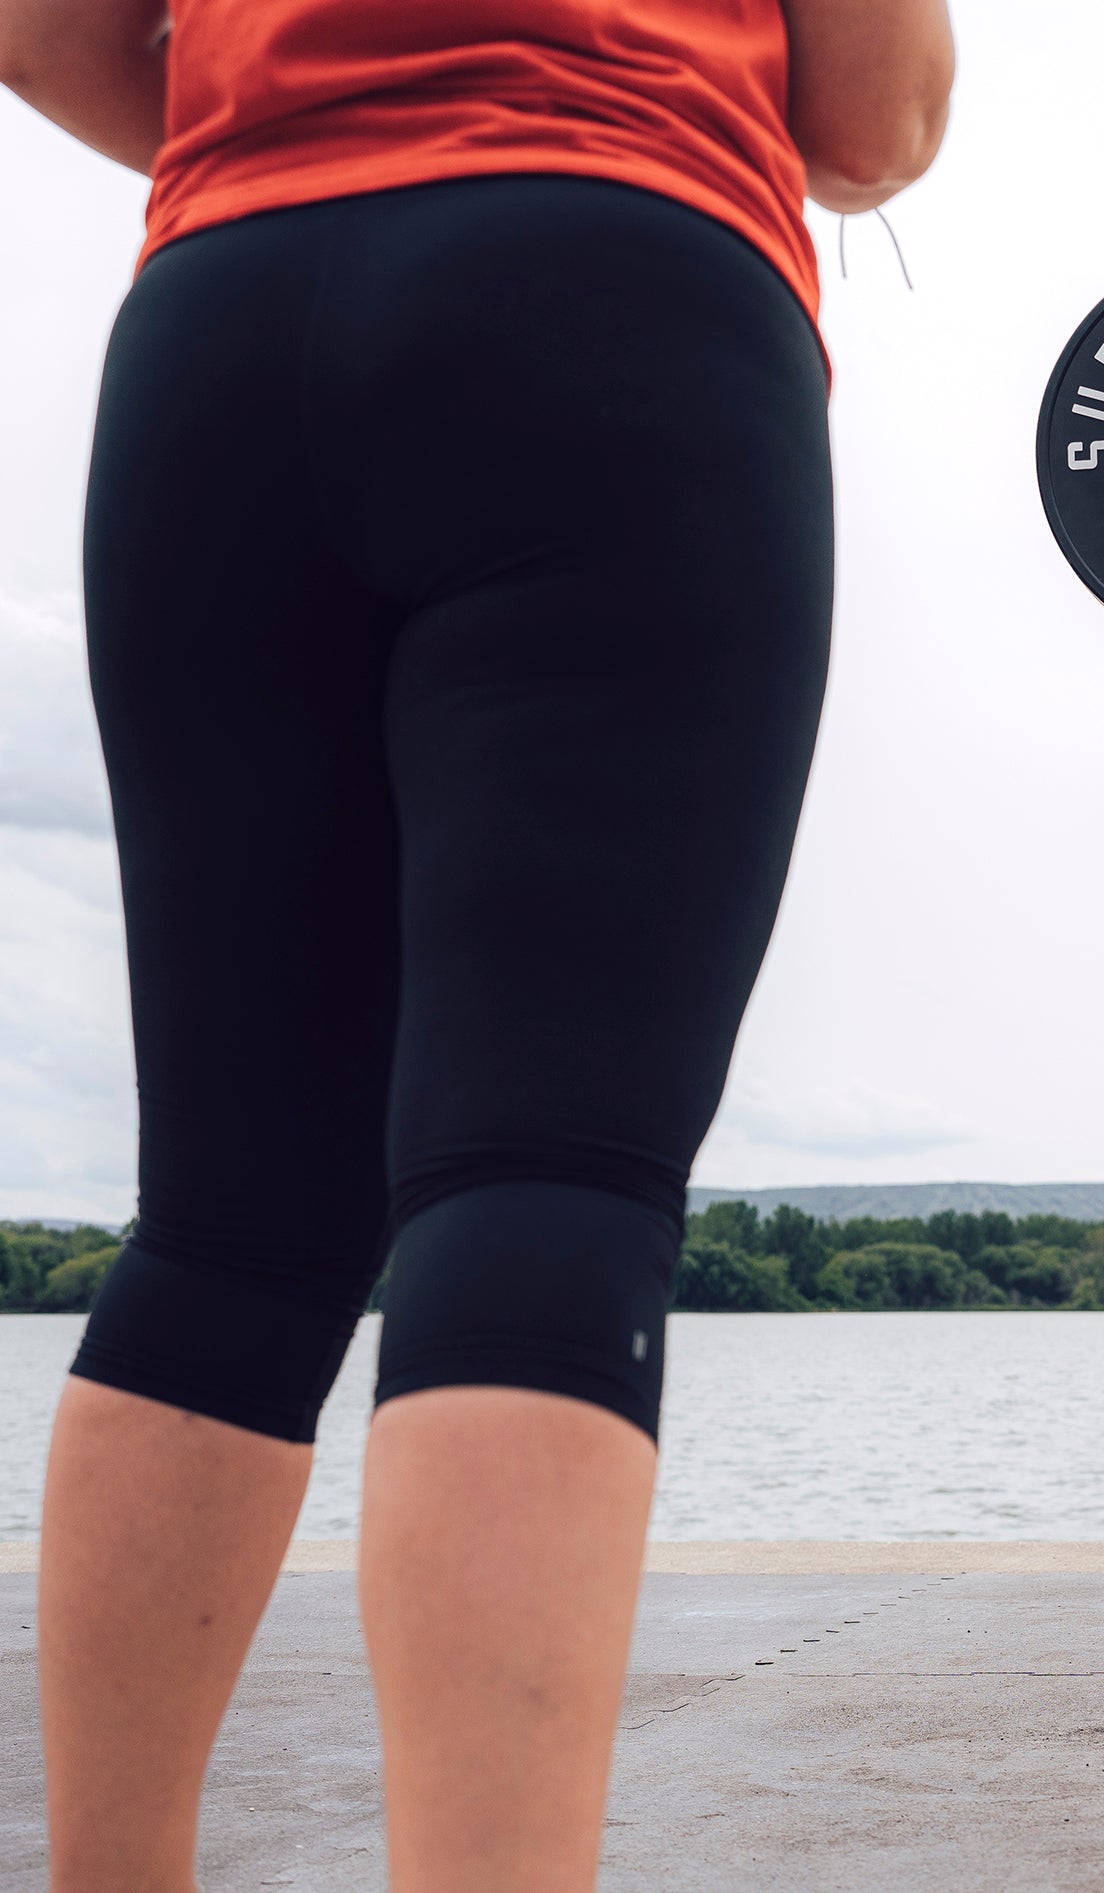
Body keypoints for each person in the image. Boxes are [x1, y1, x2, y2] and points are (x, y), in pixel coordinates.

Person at [0, 0, 951, 1880]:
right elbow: (877, 111)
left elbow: (45, 38)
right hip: (619, 274)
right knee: (543, 1170)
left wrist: (298, 129)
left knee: (229, 1225)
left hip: (223, 318)